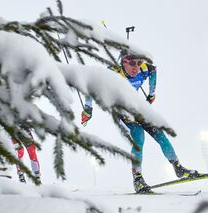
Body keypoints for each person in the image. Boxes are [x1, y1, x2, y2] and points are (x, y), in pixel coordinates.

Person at [81, 50, 199, 193]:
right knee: (139, 137)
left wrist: (151, 94)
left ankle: (178, 168)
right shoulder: (112, 74)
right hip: (121, 111)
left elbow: (153, 71)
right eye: (132, 63)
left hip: (137, 106)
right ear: (123, 62)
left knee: (160, 136)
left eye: (139, 63)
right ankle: (138, 179)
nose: (136, 67)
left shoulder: (144, 69)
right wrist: (88, 109)